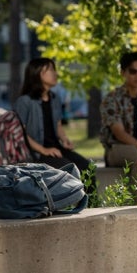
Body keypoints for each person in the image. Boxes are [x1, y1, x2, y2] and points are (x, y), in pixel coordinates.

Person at [15, 57, 96, 192]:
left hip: (56, 148)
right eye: (51, 70)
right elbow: (20, 134)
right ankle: (70, 205)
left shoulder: (55, 98)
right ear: (38, 74)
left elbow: (58, 125)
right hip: (36, 153)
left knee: (87, 167)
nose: (55, 73)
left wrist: (65, 140)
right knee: (68, 170)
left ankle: (91, 206)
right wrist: (43, 150)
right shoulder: (25, 101)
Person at [99, 51, 137, 189]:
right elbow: (119, 133)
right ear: (123, 72)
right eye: (133, 71)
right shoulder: (112, 99)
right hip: (116, 149)